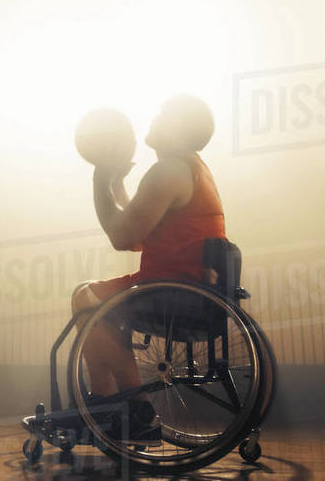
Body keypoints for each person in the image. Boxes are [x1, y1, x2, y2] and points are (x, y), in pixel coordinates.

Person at [71, 94, 225, 445]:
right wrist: (118, 187)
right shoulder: (191, 168)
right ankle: (104, 407)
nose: (153, 119)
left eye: (162, 115)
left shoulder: (168, 171)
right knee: (91, 299)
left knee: (86, 299)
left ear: (177, 128)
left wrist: (100, 180)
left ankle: (134, 410)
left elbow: (122, 236)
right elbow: (145, 230)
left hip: (171, 290)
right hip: (187, 289)